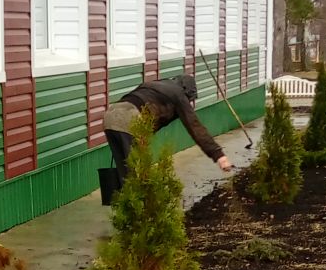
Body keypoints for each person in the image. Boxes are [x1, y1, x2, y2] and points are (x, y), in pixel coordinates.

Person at [97, 74, 233, 203]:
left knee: (125, 171)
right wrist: (218, 155)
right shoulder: (178, 94)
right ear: (186, 91)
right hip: (129, 119)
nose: (189, 102)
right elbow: (195, 126)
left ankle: (128, 211)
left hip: (110, 115)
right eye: (189, 99)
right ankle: (141, 215)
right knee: (138, 171)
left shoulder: (154, 85)